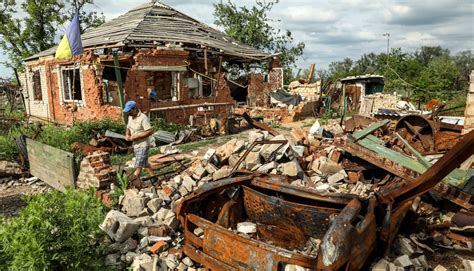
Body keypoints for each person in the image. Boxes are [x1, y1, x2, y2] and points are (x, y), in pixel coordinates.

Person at [123, 100, 154, 178]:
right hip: (136, 145)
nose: (128, 113)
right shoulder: (130, 117)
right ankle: (155, 179)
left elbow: (150, 131)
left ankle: (133, 182)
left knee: (138, 166)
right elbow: (128, 128)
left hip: (143, 145)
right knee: (145, 163)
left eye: (129, 111)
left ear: (135, 108)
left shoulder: (143, 118)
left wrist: (136, 136)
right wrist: (127, 134)